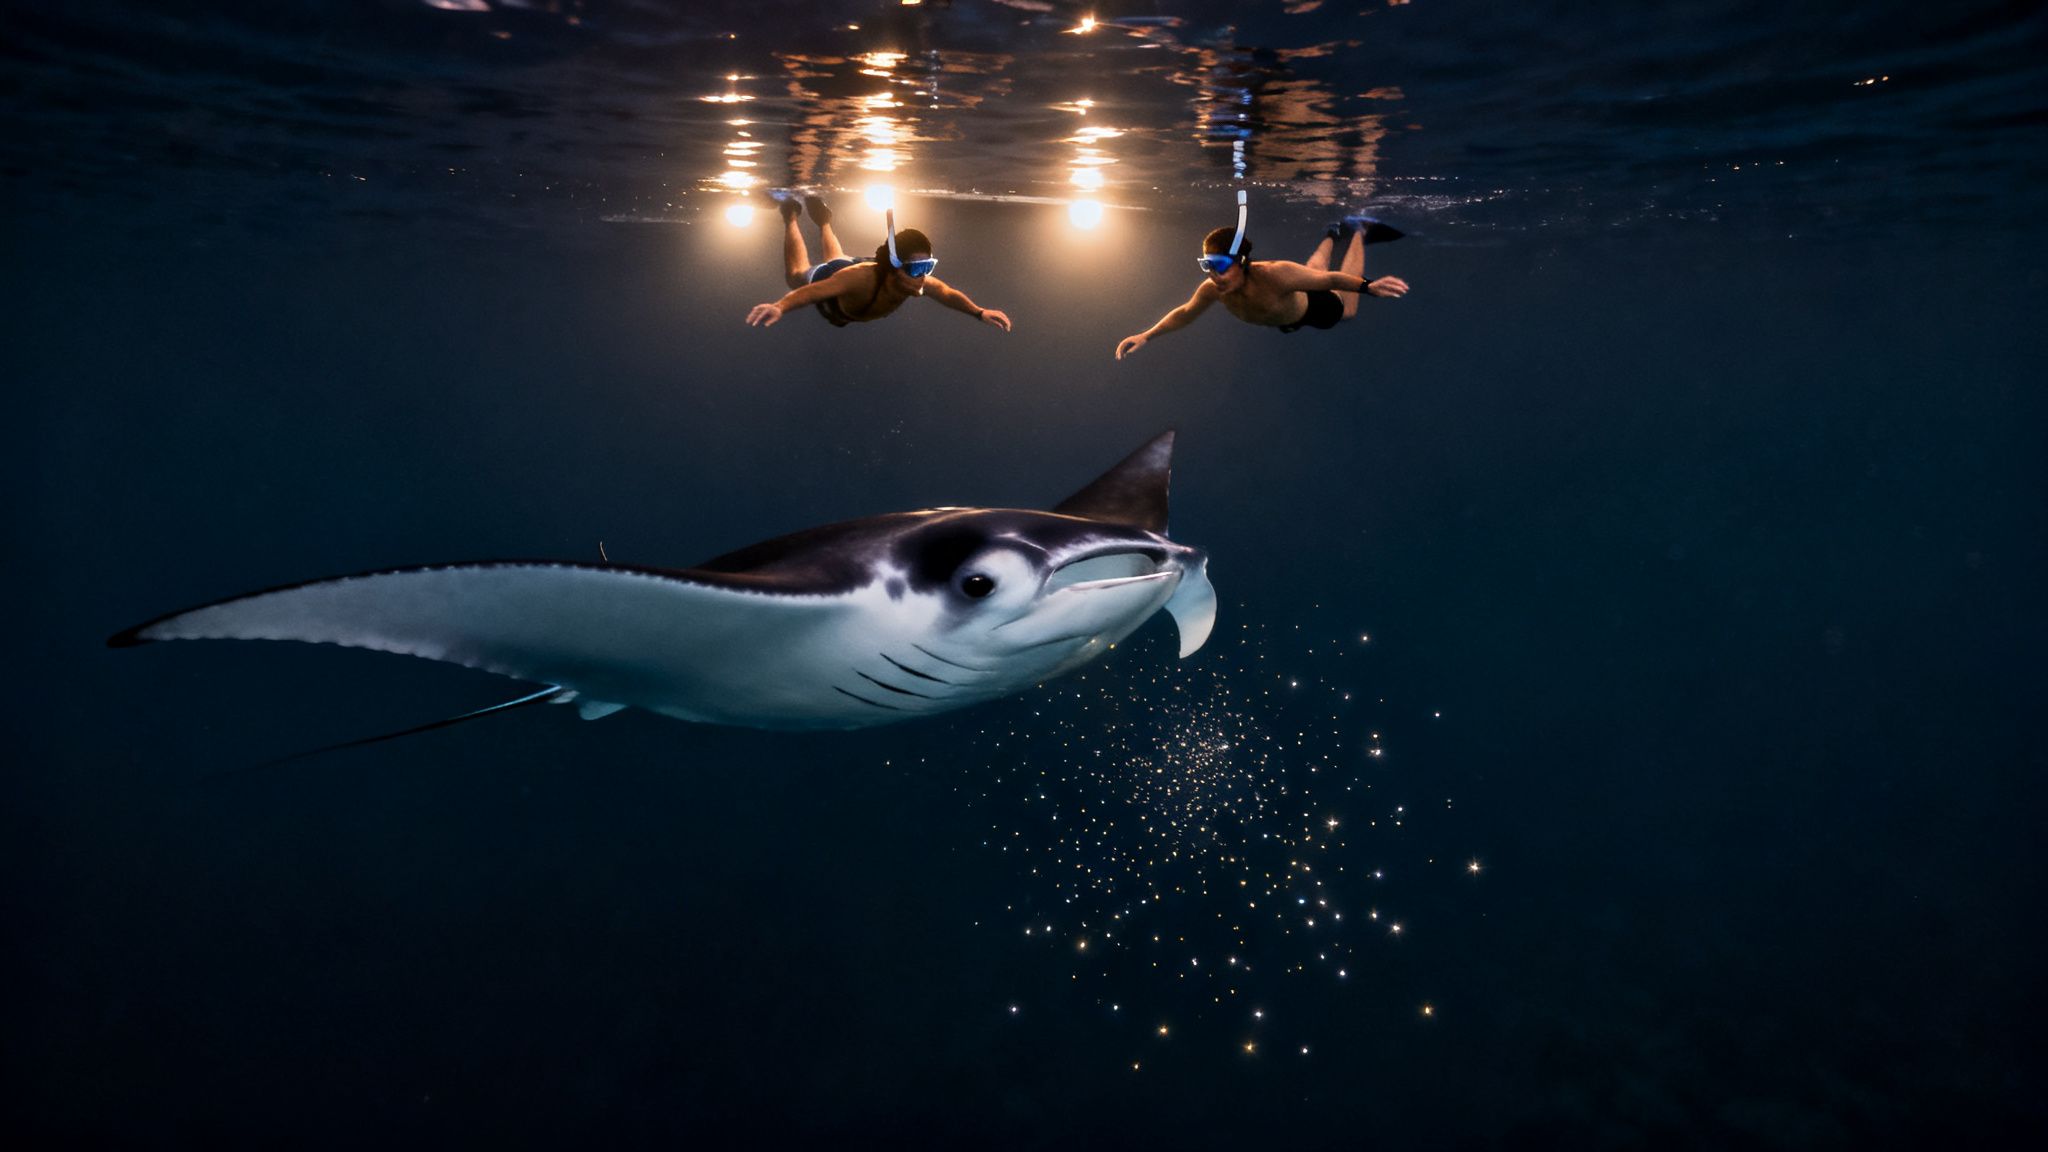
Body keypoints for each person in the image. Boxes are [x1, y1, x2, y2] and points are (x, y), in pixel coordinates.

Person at [1114, 215, 1408, 359]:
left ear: (1241, 262)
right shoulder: (1212, 289)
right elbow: (1186, 313)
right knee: (1313, 270)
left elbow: (1332, 280)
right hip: (1287, 316)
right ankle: (1333, 232)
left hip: (1315, 309)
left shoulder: (1276, 274)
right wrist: (1147, 336)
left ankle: (1359, 231)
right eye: (1207, 265)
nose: (1213, 275)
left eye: (1219, 266)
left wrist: (1369, 287)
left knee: (1346, 308)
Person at [745, 193, 1012, 332]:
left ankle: (824, 220)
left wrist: (978, 312)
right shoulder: (860, 278)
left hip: (857, 275)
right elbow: (811, 292)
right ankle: (791, 214)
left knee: (838, 259)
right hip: (845, 276)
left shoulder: (913, 280)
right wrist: (780, 306)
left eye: (928, 266)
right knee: (797, 275)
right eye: (917, 269)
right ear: (896, 267)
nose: (923, 276)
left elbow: (945, 292)